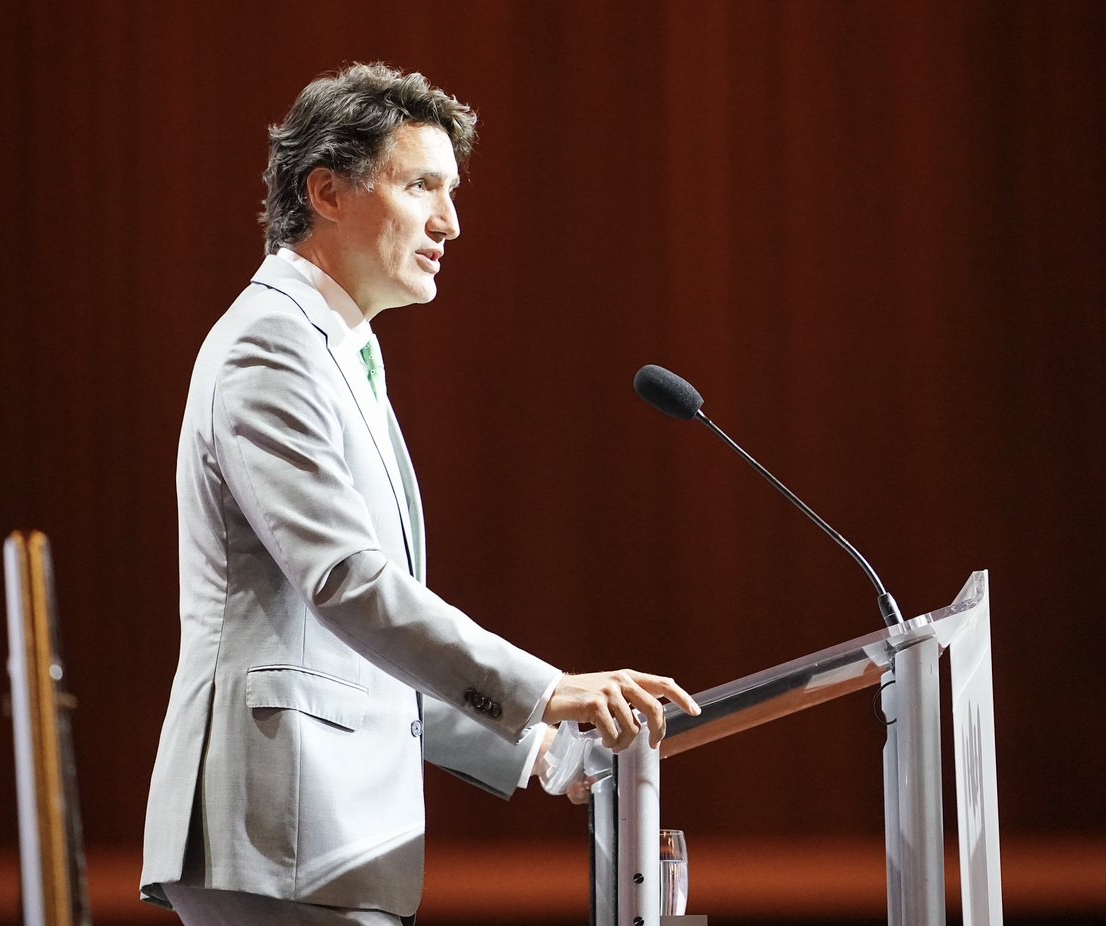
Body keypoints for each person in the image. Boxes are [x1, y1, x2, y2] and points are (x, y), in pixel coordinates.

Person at [140, 62, 699, 926]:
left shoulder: (343, 349)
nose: (450, 221)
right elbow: (349, 586)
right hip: (280, 833)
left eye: (451, 190)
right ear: (327, 192)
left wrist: (536, 748)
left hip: (324, 842)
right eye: (421, 187)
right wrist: (544, 689)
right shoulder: (270, 347)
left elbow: (361, 646)